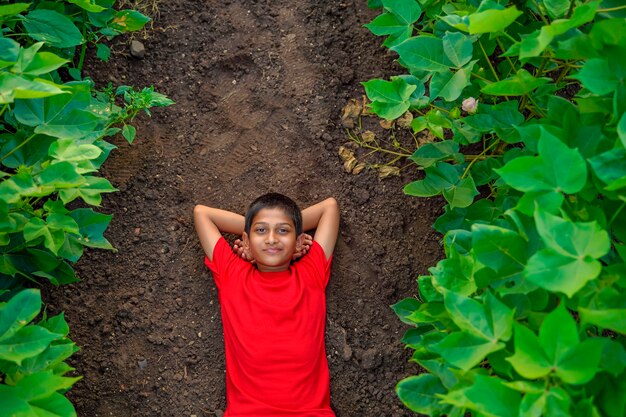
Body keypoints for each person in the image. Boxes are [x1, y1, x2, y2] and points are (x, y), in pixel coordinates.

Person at [193, 193, 340, 417]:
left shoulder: (311, 273)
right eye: (261, 230)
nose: (271, 239)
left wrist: (270, 231)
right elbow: (202, 214)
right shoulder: (233, 275)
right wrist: (274, 231)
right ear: (246, 240)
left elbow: (329, 208)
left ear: (300, 241)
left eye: (283, 231)